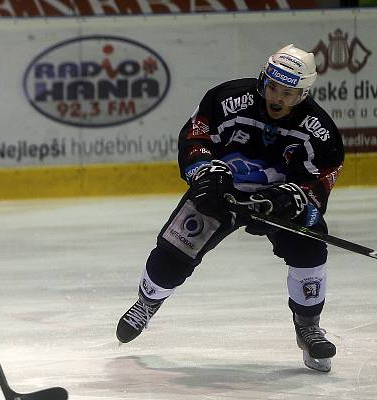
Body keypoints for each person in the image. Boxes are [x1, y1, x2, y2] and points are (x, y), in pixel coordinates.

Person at [116, 44, 344, 373]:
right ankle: (146, 303)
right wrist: (204, 171)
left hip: (274, 199)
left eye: (288, 93)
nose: (277, 99)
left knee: (310, 245)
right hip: (221, 189)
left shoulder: (317, 128)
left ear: (304, 94)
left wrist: (296, 197)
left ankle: (308, 325)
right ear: (263, 80)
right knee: (174, 252)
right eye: (272, 87)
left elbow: (323, 175)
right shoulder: (227, 99)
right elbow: (196, 136)